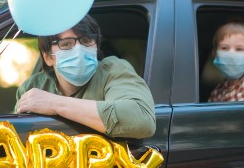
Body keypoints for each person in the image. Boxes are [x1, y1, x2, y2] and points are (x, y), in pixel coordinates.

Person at [15, 15, 155, 139]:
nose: (79, 50)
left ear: (96, 47)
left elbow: (142, 119)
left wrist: (54, 104)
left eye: (86, 41)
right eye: (66, 44)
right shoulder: (32, 87)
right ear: (48, 58)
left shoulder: (113, 70)